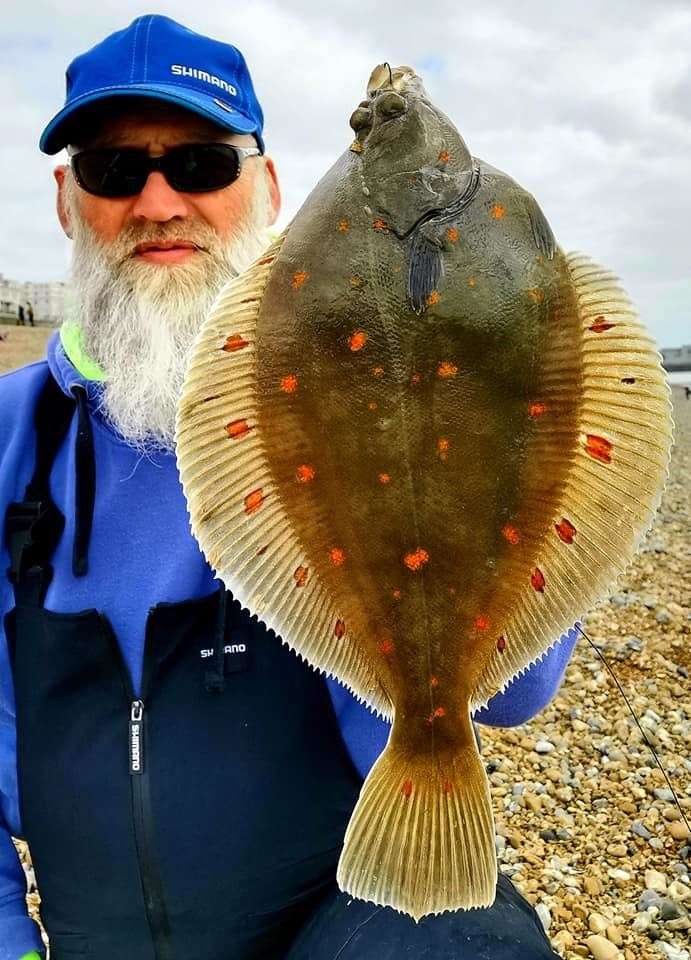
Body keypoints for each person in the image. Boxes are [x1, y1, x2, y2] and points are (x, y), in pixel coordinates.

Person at [0, 15, 577, 960]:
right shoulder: (7, 438)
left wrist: (509, 406)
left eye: (199, 165)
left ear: (265, 189)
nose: (157, 204)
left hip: (332, 919)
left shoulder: (356, 387)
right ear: (69, 201)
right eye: (113, 170)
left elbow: (515, 697)